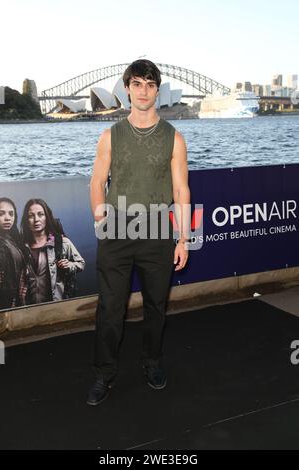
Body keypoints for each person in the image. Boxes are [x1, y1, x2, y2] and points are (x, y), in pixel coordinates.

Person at [88, 59, 190, 406]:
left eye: (150, 84)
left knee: (155, 307)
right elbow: (98, 182)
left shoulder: (174, 138)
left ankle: (152, 362)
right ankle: (104, 373)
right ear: (127, 88)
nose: (143, 90)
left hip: (158, 229)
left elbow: (181, 192)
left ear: (156, 91)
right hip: (117, 229)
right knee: (110, 308)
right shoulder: (109, 135)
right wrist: (102, 220)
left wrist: (183, 239)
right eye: (137, 84)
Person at [21, 198, 85, 304]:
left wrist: (69, 265)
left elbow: (81, 264)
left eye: (40, 214)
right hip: (28, 307)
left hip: (56, 304)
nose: (36, 219)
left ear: (47, 217)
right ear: (26, 220)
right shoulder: (22, 247)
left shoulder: (62, 242)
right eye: (31, 216)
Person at [0, 197, 27, 310]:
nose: (7, 218)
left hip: (16, 300)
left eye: (11, 214)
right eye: (1, 214)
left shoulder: (13, 240)